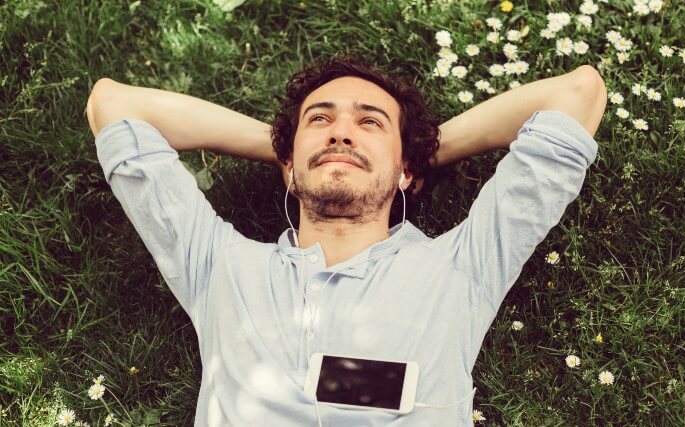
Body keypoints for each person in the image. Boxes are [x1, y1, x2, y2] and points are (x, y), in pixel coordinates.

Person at [86, 55, 606, 426]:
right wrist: (286, 152)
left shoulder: (463, 267)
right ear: (289, 164)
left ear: (405, 171)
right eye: (320, 120)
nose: (340, 133)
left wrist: (416, 155)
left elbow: (576, 95)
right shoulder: (218, 266)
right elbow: (113, 105)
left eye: (369, 122)